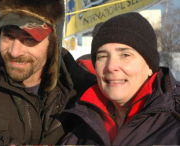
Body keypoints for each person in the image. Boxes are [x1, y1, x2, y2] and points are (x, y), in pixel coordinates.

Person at [0, 0, 96, 145]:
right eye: (9, 36)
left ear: (53, 43)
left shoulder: (84, 95)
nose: (14, 52)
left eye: (30, 39)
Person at [59, 12, 180, 145]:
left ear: (150, 66)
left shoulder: (174, 120)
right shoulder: (77, 122)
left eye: (125, 55)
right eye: (102, 56)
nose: (111, 66)